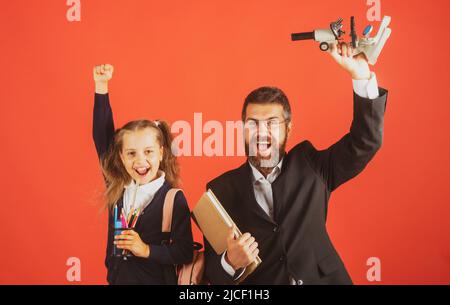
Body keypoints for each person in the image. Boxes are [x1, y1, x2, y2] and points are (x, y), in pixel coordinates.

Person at [203, 42, 389, 284]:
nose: (261, 132)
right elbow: (211, 277)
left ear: (288, 129)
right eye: (253, 123)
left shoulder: (311, 164)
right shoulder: (219, 191)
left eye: (271, 123)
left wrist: (360, 75)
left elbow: (365, 141)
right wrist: (230, 262)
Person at [92, 64, 193, 284]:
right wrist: (101, 87)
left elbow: (185, 251)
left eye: (148, 152)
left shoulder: (172, 199)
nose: (140, 161)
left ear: (160, 153)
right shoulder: (118, 187)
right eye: (131, 153)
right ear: (120, 156)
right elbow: (102, 136)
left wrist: (146, 250)